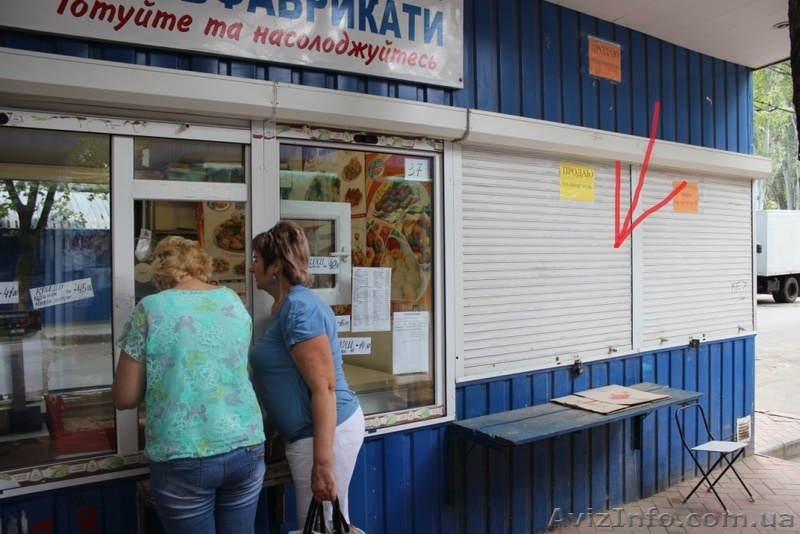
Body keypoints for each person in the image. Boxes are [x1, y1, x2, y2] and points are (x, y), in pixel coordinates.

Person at [112, 236, 266, 534]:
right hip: (245, 444)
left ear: (160, 274)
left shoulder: (150, 307)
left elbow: (124, 398)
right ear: (201, 266)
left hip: (182, 451)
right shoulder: (232, 301)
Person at [249, 221, 365, 532]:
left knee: (320, 526)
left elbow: (324, 387)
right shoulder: (286, 306)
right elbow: (289, 373)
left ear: (276, 265)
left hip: (326, 432)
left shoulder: (299, 308)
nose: (251, 267)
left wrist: (323, 465)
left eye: (257, 259)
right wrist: (275, 421)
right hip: (309, 432)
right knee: (322, 525)